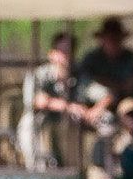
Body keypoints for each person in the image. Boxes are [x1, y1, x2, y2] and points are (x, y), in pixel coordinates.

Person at [20, 33, 104, 168]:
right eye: (62, 51)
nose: (66, 55)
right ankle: (36, 168)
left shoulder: (79, 74)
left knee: (106, 120)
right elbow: (36, 100)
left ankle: (101, 170)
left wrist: (95, 110)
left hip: (72, 121)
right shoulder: (39, 74)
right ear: (52, 54)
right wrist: (68, 106)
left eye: (70, 51)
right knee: (29, 123)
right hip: (45, 120)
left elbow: (104, 94)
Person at [76, 16, 133, 112]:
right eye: (110, 38)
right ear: (102, 40)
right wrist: (110, 85)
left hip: (130, 104)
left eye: (117, 39)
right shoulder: (92, 59)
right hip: (96, 103)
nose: (113, 43)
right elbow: (84, 78)